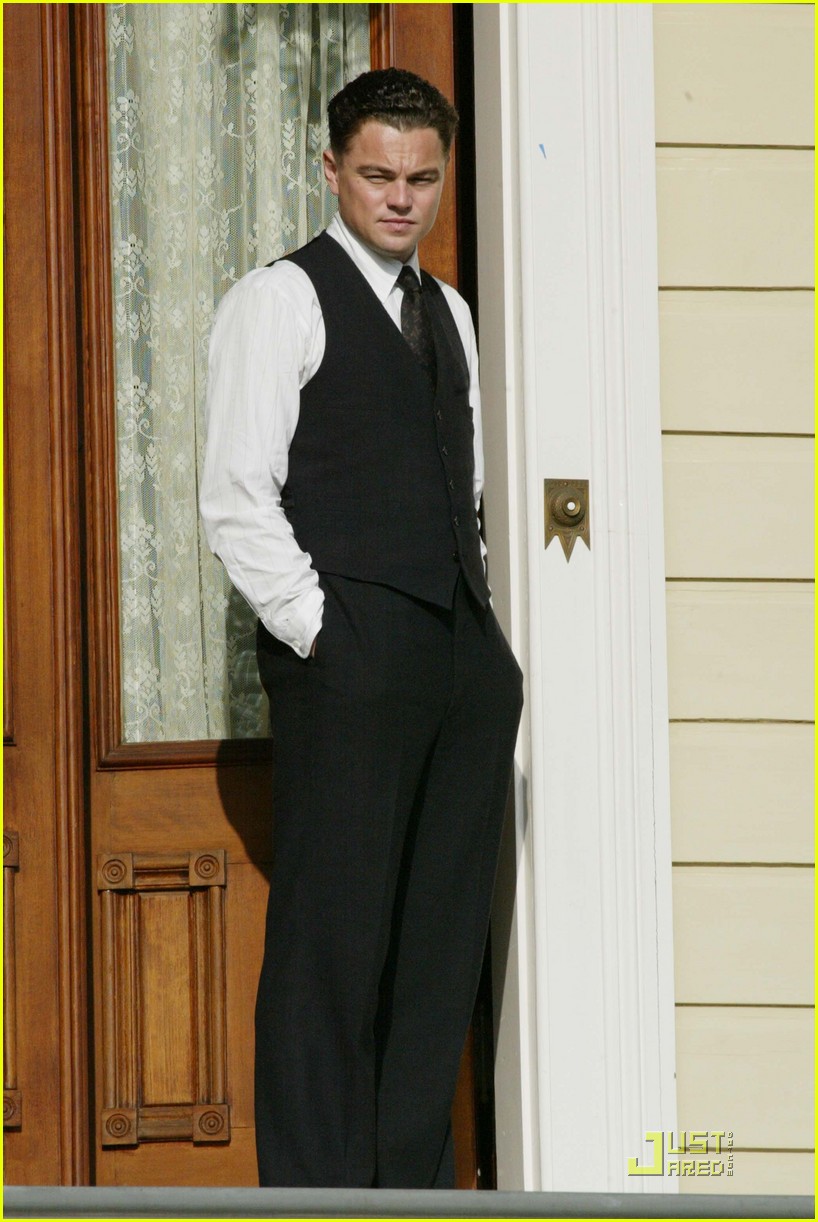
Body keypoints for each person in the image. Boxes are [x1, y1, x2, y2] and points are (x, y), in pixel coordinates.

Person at [200, 67, 523, 1190]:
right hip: (349, 655)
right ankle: (314, 1199)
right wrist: (323, 633)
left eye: (422, 179)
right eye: (379, 174)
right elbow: (236, 498)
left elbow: (460, 489)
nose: (400, 198)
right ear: (331, 167)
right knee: (330, 947)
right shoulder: (278, 301)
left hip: (459, 659)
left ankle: (411, 1193)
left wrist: (482, 643)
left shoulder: (452, 314)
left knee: (437, 950)